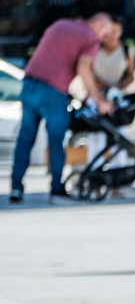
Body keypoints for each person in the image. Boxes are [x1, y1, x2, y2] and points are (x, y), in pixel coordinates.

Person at [9, 12, 114, 204]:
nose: (104, 39)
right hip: (53, 91)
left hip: (29, 84)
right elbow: (84, 68)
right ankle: (56, 189)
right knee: (56, 140)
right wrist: (99, 101)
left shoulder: (60, 23)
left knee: (25, 138)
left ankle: (16, 187)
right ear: (97, 24)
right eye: (105, 34)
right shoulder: (90, 38)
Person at [86, 18, 135, 194]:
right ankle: (95, 182)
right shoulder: (94, 49)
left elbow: (131, 75)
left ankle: (117, 183)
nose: (112, 35)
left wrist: (116, 86)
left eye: (116, 31)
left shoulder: (127, 50)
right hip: (96, 97)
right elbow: (88, 72)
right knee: (96, 138)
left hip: (116, 98)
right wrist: (99, 86)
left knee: (119, 138)